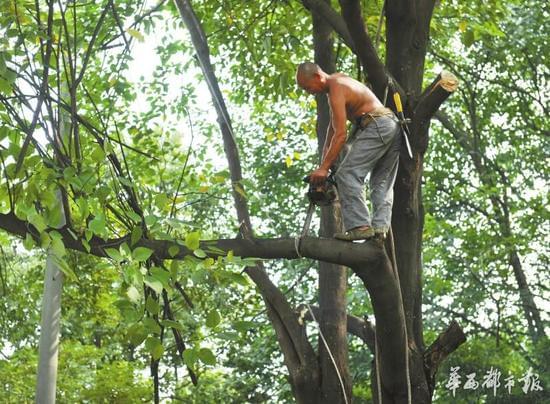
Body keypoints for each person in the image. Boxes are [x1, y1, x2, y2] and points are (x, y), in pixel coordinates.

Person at [296, 62, 401, 241]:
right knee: (381, 182)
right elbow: (332, 130)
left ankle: (360, 227)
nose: (309, 92)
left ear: (317, 77)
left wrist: (324, 168)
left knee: (347, 173)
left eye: (307, 87)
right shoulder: (338, 80)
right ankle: (379, 229)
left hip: (378, 125)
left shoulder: (336, 88)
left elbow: (340, 135)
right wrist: (323, 166)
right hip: (391, 125)